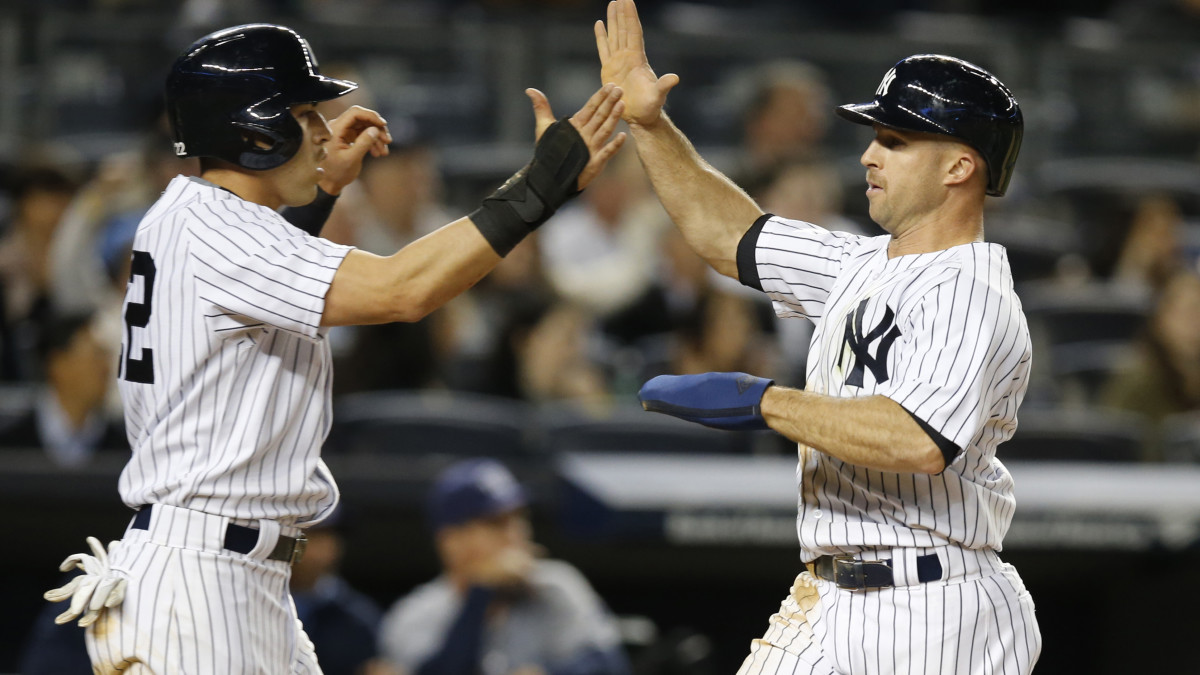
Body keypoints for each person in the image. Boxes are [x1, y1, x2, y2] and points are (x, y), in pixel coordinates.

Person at [41, 22, 626, 675]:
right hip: (198, 581)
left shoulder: (198, 218)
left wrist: (321, 191)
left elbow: (265, 287)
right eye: (303, 113)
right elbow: (404, 290)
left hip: (236, 576)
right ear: (254, 130)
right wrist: (538, 187)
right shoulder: (214, 230)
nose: (324, 129)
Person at [594, 1, 1041, 672]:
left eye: (894, 141)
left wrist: (763, 400)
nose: (868, 154)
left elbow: (916, 438)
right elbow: (729, 235)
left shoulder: (970, 290)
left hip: (936, 604)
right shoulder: (859, 263)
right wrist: (649, 125)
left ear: (958, 168)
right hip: (827, 593)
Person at [376, 458, 630, 675]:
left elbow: (610, 666)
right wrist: (480, 593)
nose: (515, 533)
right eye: (496, 522)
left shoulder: (556, 586)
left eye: (519, 517)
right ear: (450, 541)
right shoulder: (415, 616)